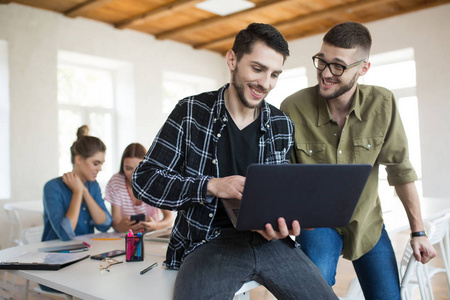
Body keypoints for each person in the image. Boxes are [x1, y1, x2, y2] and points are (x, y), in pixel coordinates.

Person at [132, 23, 337, 300]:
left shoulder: (281, 124)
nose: (266, 83)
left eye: (274, 74)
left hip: (269, 243)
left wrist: (288, 219)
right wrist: (211, 185)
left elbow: (280, 191)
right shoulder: (190, 112)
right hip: (208, 242)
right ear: (232, 60)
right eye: (257, 69)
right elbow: (144, 182)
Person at [280, 22, 436, 299]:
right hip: (316, 223)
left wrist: (418, 232)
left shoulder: (383, 103)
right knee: (312, 291)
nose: (325, 74)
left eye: (338, 66)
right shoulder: (292, 107)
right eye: (321, 61)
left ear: (363, 69)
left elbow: (400, 170)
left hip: (367, 222)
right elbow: (283, 176)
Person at [42, 125, 112, 242]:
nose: (100, 169)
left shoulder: (93, 186)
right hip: (55, 253)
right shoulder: (52, 187)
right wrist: (77, 191)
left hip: (85, 250)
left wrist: (84, 191)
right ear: (78, 159)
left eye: (101, 164)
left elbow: (105, 224)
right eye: (95, 163)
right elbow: (65, 234)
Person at [105, 143, 174, 233]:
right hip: (127, 237)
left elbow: (170, 218)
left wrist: (156, 226)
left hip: (151, 235)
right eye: (128, 168)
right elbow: (116, 223)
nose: (134, 174)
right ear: (122, 166)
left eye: (138, 168)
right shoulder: (116, 182)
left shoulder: (154, 181)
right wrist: (121, 227)